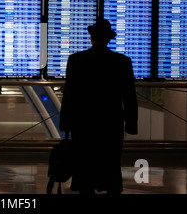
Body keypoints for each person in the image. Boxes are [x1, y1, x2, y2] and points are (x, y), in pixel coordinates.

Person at [59, 18, 138, 194]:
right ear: (109, 39)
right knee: (110, 166)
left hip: (83, 125)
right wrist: (131, 125)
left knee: (85, 169)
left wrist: (65, 125)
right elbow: (129, 96)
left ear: (91, 38)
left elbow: (69, 95)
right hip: (111, 124)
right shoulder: (122, 61)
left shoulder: (76, 60)